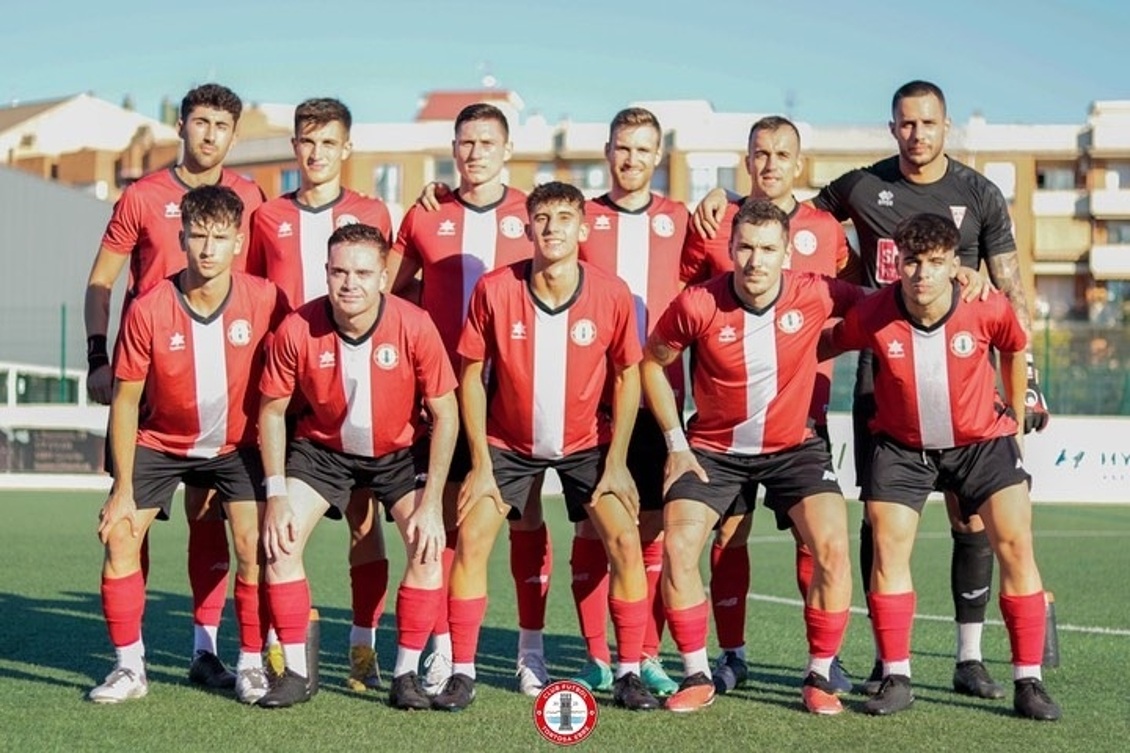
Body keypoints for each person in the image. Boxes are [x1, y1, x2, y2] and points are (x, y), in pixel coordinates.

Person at [693, 80, 1047, 697]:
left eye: (929, 123)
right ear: (892, 128)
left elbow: (1010, 290)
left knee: (973, 524)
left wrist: (1028, 386)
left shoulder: (979, 191)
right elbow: (785, 208)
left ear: (946, 126)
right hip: (881, 375)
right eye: (907, 124)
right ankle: (888, 663)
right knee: (877, 522)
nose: (918, 134)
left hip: (964, 383)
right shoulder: (858, 188)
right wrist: (723, 194)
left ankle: (970, 657)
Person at [433, 181, 658, 712]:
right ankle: (465, 671)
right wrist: (482, 463)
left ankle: (627, 671)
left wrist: (619, 462)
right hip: (508, 444)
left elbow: (629, 374)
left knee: (625, 543)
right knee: (472, 541)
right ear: (527, 227)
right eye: (542, 217)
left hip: (587, 443)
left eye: (564, 217)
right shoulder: (494, 289)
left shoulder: (611, 292)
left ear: (583, 229)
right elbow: (469, 374)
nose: (553, 226)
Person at [825, 212, 1060, 721]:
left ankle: (1028, 681)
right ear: (897, 264)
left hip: (981, 443)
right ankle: (897, 675)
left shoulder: (984, 304)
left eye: (935, 262)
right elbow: (828, 343)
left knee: (1017, 544)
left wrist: (1015, 419)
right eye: (912, 262)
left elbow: (1015, 348)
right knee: (886, 547)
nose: (922, 273)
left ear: (956, 263)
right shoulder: (874, 312)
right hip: (902, 446)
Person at [643, 199, 861, 714]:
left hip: (794, 448)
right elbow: (652, 363)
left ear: (788, 252)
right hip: (713, 451)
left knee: (831, 545)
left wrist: (964, 277)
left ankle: (821, 673)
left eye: (767, 249)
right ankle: (697, 672)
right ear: (730, 249)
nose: (755, 260)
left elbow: (884, 307)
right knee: (678, 547)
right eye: (745, 247)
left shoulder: (818, 291)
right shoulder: (698, 303)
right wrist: (676, 444)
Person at [84, 83, 267, 691]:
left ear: (233, 135)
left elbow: (269, 282)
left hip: (225, 402)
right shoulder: (143, 195)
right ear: (182, 127)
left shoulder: (250, 197)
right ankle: (129, 662)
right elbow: (102, 280)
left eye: (221, 124)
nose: (209, 134)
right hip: (151, 384)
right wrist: (95, 355)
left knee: (215, 522)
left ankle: (207, 649)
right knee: (124, 527)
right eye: (199, 122)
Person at [680, 115, 855, 696]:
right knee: (730, 535)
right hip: (724, 423)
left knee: (816, 539)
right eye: (760, 153)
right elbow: (684, 303)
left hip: (802, 413)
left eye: (783, 154)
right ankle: (731, 655)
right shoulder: (713, 222)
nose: (771, 163)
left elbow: (856, 303)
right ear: (746, 160)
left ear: (799, 164)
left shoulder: (827, 230)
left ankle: (822, 662)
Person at [255, 223, 459, 710]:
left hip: (400, 453)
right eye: (339, 271)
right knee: (278, 542)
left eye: (363, 272)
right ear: (325, 273)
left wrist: (431, 504)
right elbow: (271, 410)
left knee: (428, 548)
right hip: (323, 452)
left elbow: (447, 414)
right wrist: (277, 493)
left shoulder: (414, 324)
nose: (350, 283)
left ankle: (405, 675)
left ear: (385, 277)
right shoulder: (298, 328)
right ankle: (295, 675)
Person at [385, 103, 549, 698]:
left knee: (525, 515)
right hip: (441, 396)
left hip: (515, 397)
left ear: (507, 150)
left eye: (485, 142)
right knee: (450, 517)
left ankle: (530, 651)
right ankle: (445, 647)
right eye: (464, 142)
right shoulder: (427, 216)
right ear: (452, 150)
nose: (474, 152)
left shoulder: (533, 214)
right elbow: (386, 291)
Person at [245, 97, 393, 693]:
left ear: (346, 149)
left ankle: (363, 648)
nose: (316, 152)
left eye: (328, 142)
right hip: (286, 381)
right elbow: (254, 292)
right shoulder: (266, 216)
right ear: (294, 146)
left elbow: (388, 286)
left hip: (353, 382)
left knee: (364, 520)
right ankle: (282, 648)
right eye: (306, 141)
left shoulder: (372, 210)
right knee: (274, 523)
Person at [569, 107, 686, 698]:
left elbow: (740, 260)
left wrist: (725, 195)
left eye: (643, 150)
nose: (632, 159)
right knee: (595, 531)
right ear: (606, 149)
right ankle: (596, 655)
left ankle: (645, 654)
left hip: (662, 399)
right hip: (593, 402)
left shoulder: (685, 220)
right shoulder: (582, 221)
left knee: (653, 534)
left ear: (658, 156)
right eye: (622, 148)